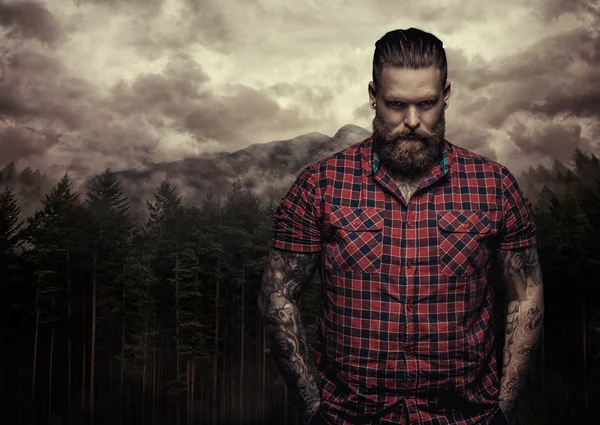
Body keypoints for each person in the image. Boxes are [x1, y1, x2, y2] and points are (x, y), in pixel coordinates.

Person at [258, 28, 544, 425]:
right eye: (396, 104)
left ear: (446, 95)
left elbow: (526, 293)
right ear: (373, 95)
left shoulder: (493, 185)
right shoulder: (320, 185)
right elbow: (278, 295)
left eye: (426, 103)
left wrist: (503, 409)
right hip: (349, 417)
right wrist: (312, 408)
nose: (412, 121)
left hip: (466, 418)